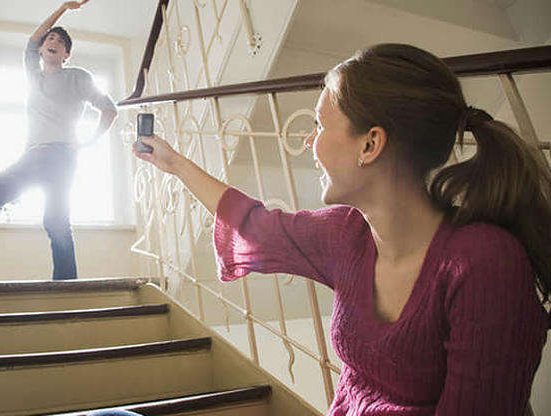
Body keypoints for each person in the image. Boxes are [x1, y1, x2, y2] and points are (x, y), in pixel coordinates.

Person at [134, 44, 550, 415]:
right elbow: (255, 226)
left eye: (319, 124)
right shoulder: (346, 234)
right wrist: (174, 164)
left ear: (370, 145)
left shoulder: (485, 262)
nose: (309, 142)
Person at [0, 0, 117, 281]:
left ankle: (66, 288)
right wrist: (63, 8)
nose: (52, 41)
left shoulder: (78, 77)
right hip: (29, 159)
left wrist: (87, 142)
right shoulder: (33, 76)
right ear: (43, 49)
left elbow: (109, 109)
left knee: (56, 222)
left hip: (61, 159)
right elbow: (32, 41)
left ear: (66, 54)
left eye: (60, 41)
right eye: (50, 39)